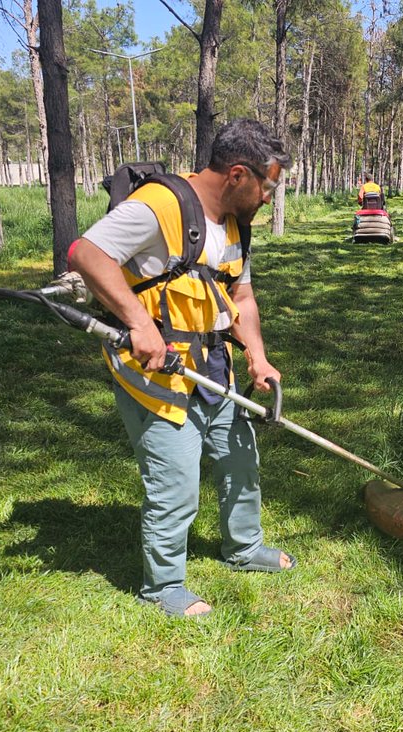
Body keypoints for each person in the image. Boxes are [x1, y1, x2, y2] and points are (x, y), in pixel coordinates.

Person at [70, 119, 295, 618]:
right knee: (175, 484)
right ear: (239, 175)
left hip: (214, 367)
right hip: (156, 374)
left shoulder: (236, 225)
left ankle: (243, 547)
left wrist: (256, 356)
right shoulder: (160, 205)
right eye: (269, 185)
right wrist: (138, 323)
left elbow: (242, 296)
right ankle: (164, 585)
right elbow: (86, 252)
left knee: (240, 461)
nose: (269, 198)